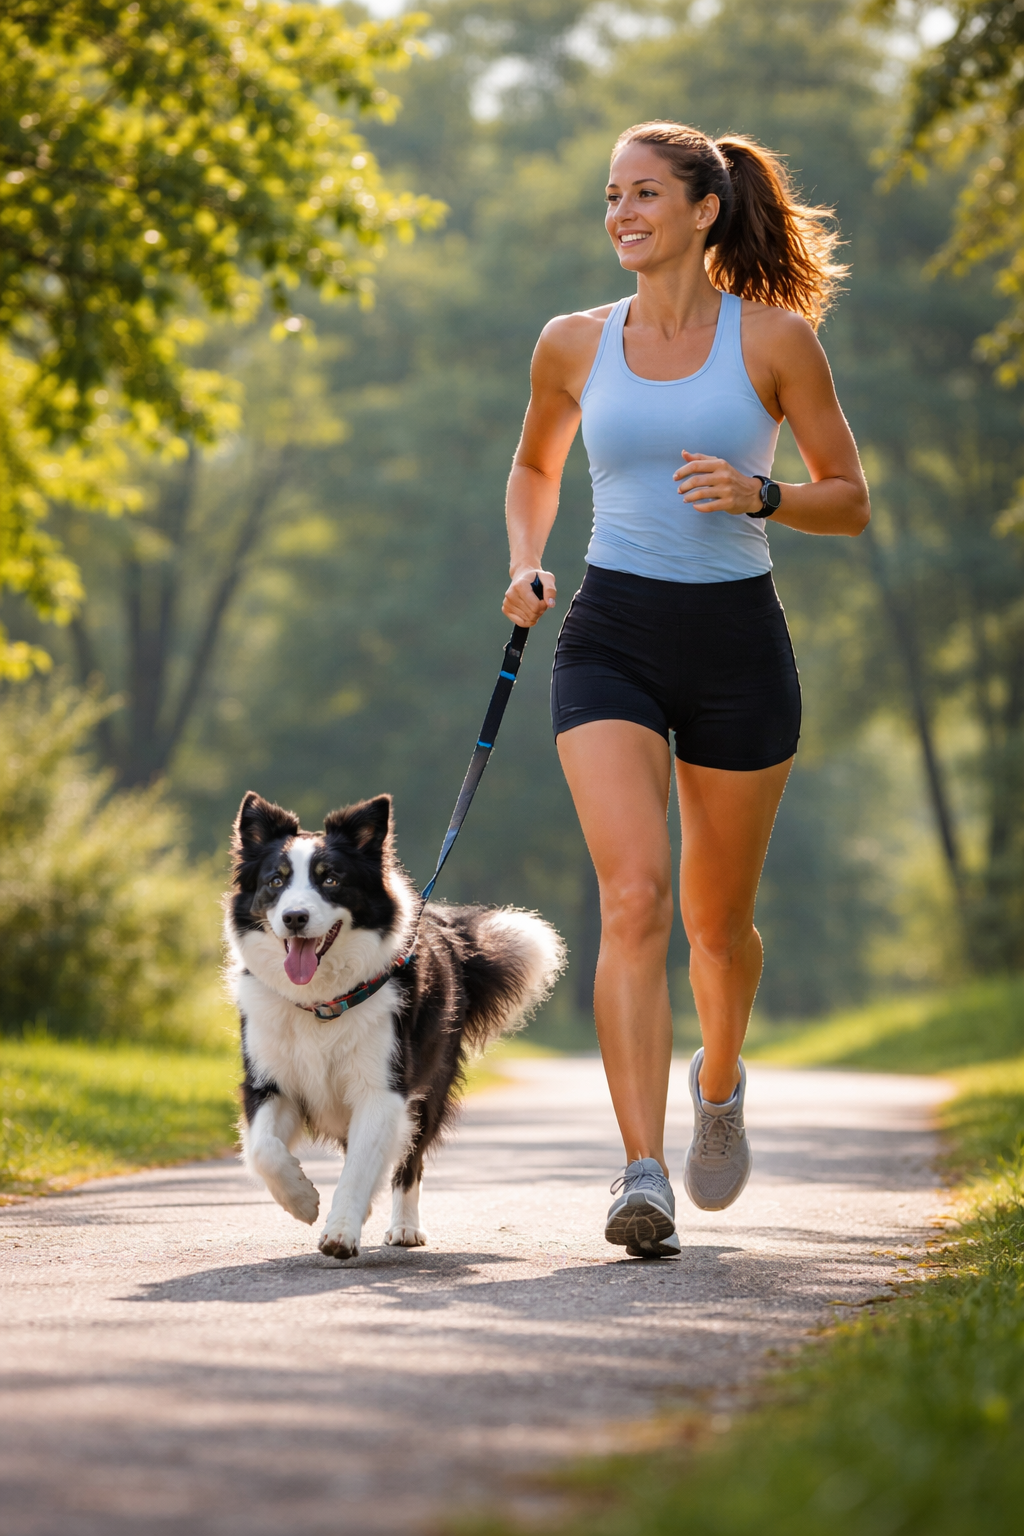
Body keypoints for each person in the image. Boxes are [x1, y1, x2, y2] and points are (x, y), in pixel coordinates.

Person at [502, 121, 869, 1258]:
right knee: (634, 900)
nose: (621, 213)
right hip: (608, 629)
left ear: (703, 209)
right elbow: (533, 465)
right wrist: (524, 557)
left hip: (735, 645)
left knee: (716, 927)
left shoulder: (774, 340)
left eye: (645, 193)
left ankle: (718, 1080)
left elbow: (847, 497)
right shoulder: (570, 342)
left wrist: (764, 496)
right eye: (610, 195)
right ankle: (639, 1172)